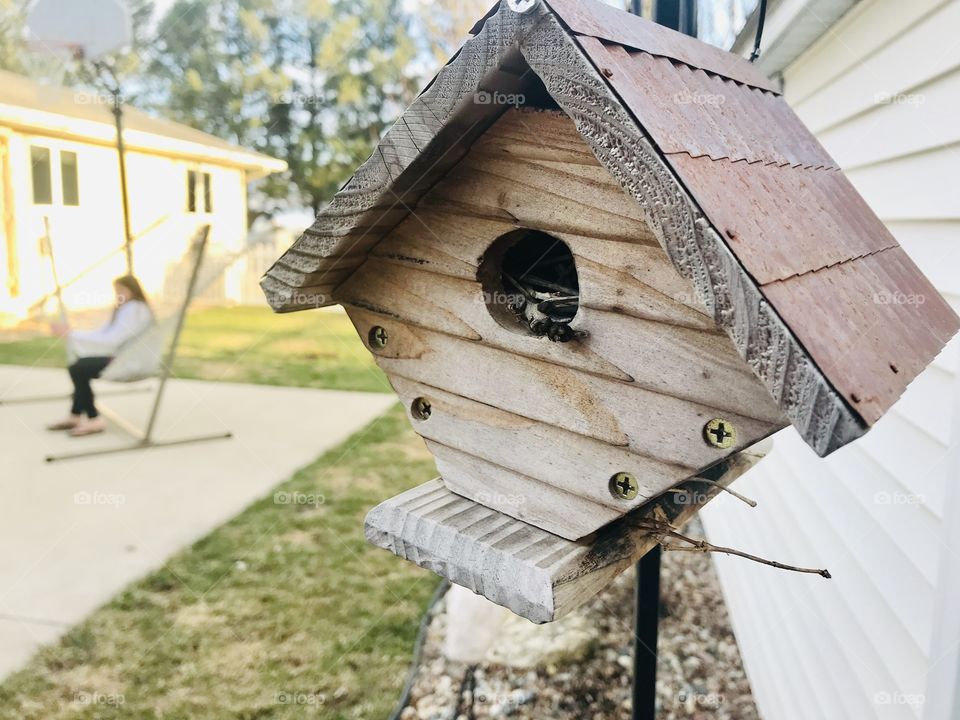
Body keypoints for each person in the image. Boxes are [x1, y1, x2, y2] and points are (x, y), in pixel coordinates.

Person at [46, 275, 154, 437]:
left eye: (121, 290)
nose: (118, 294)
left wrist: (71, 334)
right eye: (116, 291)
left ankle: (93, 418)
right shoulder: (125, 309)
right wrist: (72, 333)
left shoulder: (135, 309)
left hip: (129, 362)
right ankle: (75, 415)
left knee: (78, 368)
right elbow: (102, 334)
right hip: (121, 358)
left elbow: (112, 339)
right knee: (79, 366)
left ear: (132, 290)